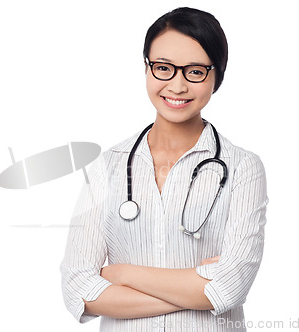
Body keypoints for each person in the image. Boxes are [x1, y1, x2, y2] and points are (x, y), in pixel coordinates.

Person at [60, 7, 268, 331]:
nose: (177, 85)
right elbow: (78, 289)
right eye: (163, 68)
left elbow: (230, 286)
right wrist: (196, 291)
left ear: (217, 75)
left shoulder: (242, 168)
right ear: (147, 68)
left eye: (195, 71)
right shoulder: (108, 165)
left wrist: (122, 274)